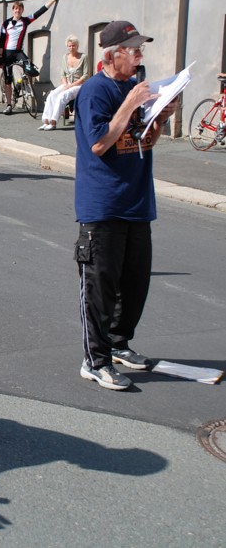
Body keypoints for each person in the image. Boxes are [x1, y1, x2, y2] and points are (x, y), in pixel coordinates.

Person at [74, 21, 178, 390]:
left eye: (140, 49)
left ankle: (119, 345)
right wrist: (131, 103)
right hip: (103, 204)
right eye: (132, 49)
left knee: (134, 286)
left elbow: (143, 139)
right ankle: (95, 360)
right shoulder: (95, 91)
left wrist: (160, 116)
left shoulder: (133, 87)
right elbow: (100, 143)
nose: (139, 55)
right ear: (111, 54)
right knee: (100, 291)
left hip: (137, 202)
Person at [0, 0, 59, 115]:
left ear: (22, 11)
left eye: (20, 9)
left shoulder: (25, 21)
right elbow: (2, 41)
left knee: (29, 66)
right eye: (16, 9)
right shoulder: (6, 23)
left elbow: (40, 12)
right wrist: (0, 58)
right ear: (13, 10)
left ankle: (21, 84)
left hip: (19, 52)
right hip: (7, 53)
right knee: (8, 79)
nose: (17, 11)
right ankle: (9, 105)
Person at [38, 34, 89, 130]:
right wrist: (65, 84)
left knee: (62, 96)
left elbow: (85, 75)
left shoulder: (83, 57)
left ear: (77, 46)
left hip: (79, 85)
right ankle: (46, 120)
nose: (71, 47)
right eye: (69, 46)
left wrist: (71, 86)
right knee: (52, 95)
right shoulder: (65, 57)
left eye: (73, 45)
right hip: (67, 83)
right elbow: (63, 74)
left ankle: (53, 122)